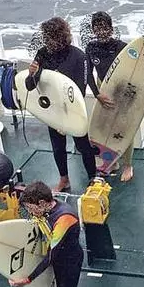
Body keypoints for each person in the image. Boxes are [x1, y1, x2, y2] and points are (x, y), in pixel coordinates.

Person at [9, 181, 88, 287]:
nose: (31, 212)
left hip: (69, 262)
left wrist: (28, 279)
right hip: (61, 259)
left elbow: (51, 256)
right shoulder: (48, 210)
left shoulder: (64, 219)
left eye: (31, 208)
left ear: (42, 203)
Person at [27, 17, 96, 192]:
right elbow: (29, 86)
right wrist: (31, 74)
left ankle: (93, 179)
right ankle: (64, 180)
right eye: (46, 37)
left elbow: (80, 90)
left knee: (83, 146)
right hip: (52, 110)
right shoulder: (42, 54)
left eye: (51, 37)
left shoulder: (79, 57)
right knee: (58, 147)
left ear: (61, 36)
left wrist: (66, 121)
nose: (47, 41)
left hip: (73, 109)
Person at [84, 11, 134, 182]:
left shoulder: (122, 47)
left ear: (111, 29)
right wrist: (97, 94)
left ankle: (128, 165)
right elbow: (88, 73)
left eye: (105, 27)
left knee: (123, 128)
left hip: (122, 91)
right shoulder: (91, 48)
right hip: (103, 90)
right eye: (97, 28)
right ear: (93, 30)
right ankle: (113, 162)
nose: (101, 31)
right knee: (107, 128)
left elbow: (134, 70)